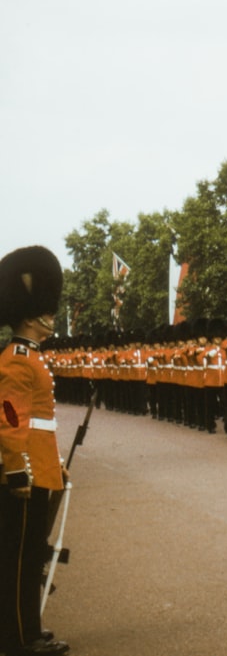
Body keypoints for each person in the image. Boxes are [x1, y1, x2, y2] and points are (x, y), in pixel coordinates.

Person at [0, 246, 71, 656]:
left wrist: (53, 465)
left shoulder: (30, 357)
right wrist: (17, 470)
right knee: (19, 560)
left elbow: (39, 425)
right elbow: (12, 420)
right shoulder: (17, 359)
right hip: (24, 473)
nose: (51, 316)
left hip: (39, 467)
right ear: (30, 316)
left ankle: (30, 630)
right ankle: (18, 639)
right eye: (46, 310)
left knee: (31, 557)